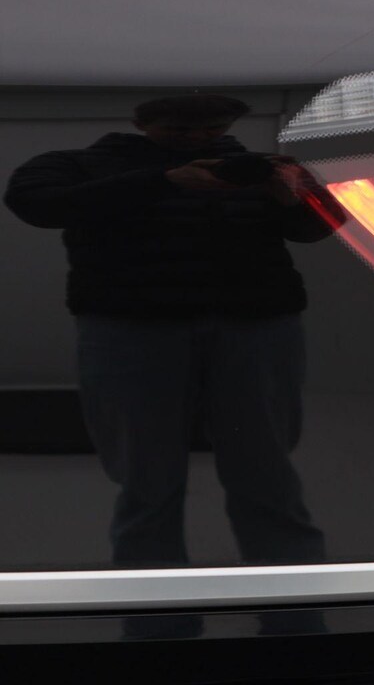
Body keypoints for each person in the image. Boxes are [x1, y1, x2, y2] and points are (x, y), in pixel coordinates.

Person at [3, 94, 342, 568]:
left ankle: (281, 594)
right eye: (181, 130)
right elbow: (35, 203)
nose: (197, 139)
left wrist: (290, 197)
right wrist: (164, 181)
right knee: (148, 475)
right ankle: (166, 601)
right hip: (140, 327)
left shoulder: (263, 168)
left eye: (212, 129)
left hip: (241, 324)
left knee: (263, 470)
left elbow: (324, 225)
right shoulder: (78, 164)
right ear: (142, 123)